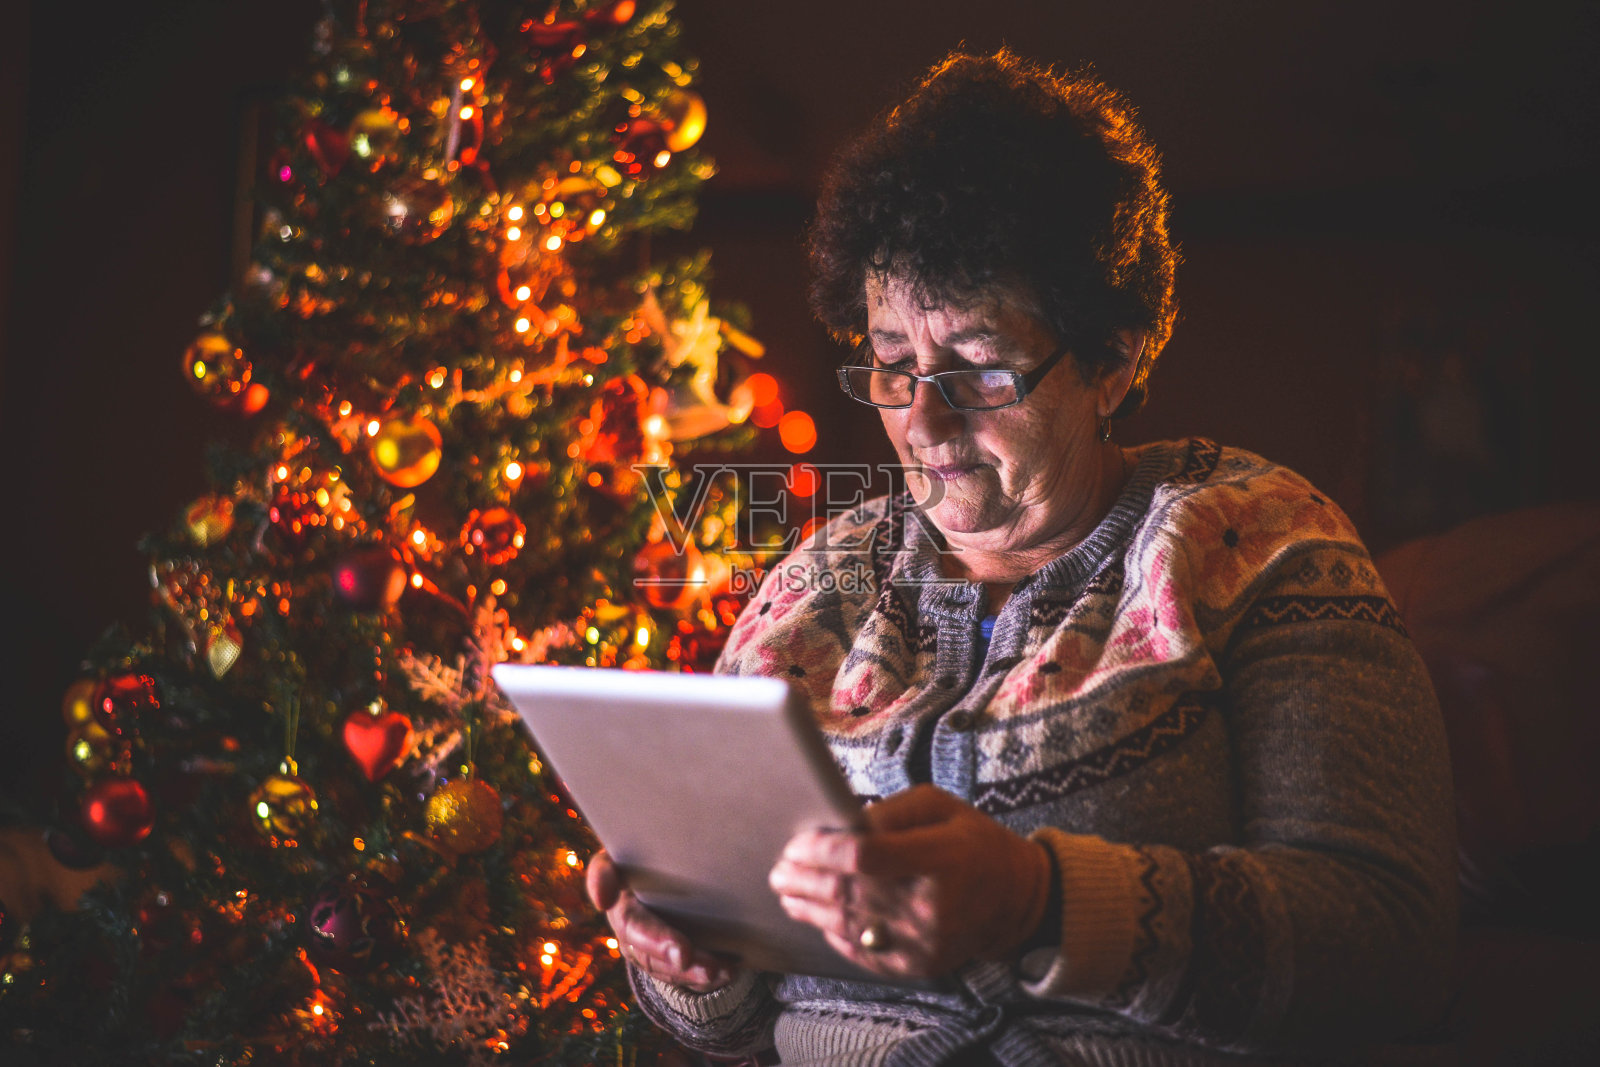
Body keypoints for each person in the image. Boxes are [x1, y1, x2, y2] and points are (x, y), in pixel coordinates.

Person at [587, 50, 1457, 1066]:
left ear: (1113, 358)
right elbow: (729, 1026)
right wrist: (687, 956)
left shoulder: (1257, 541)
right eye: (893, 362)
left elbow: (1392, 951)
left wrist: (1039, 903)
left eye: (980, 365)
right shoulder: (811, 589)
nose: (921, 416)